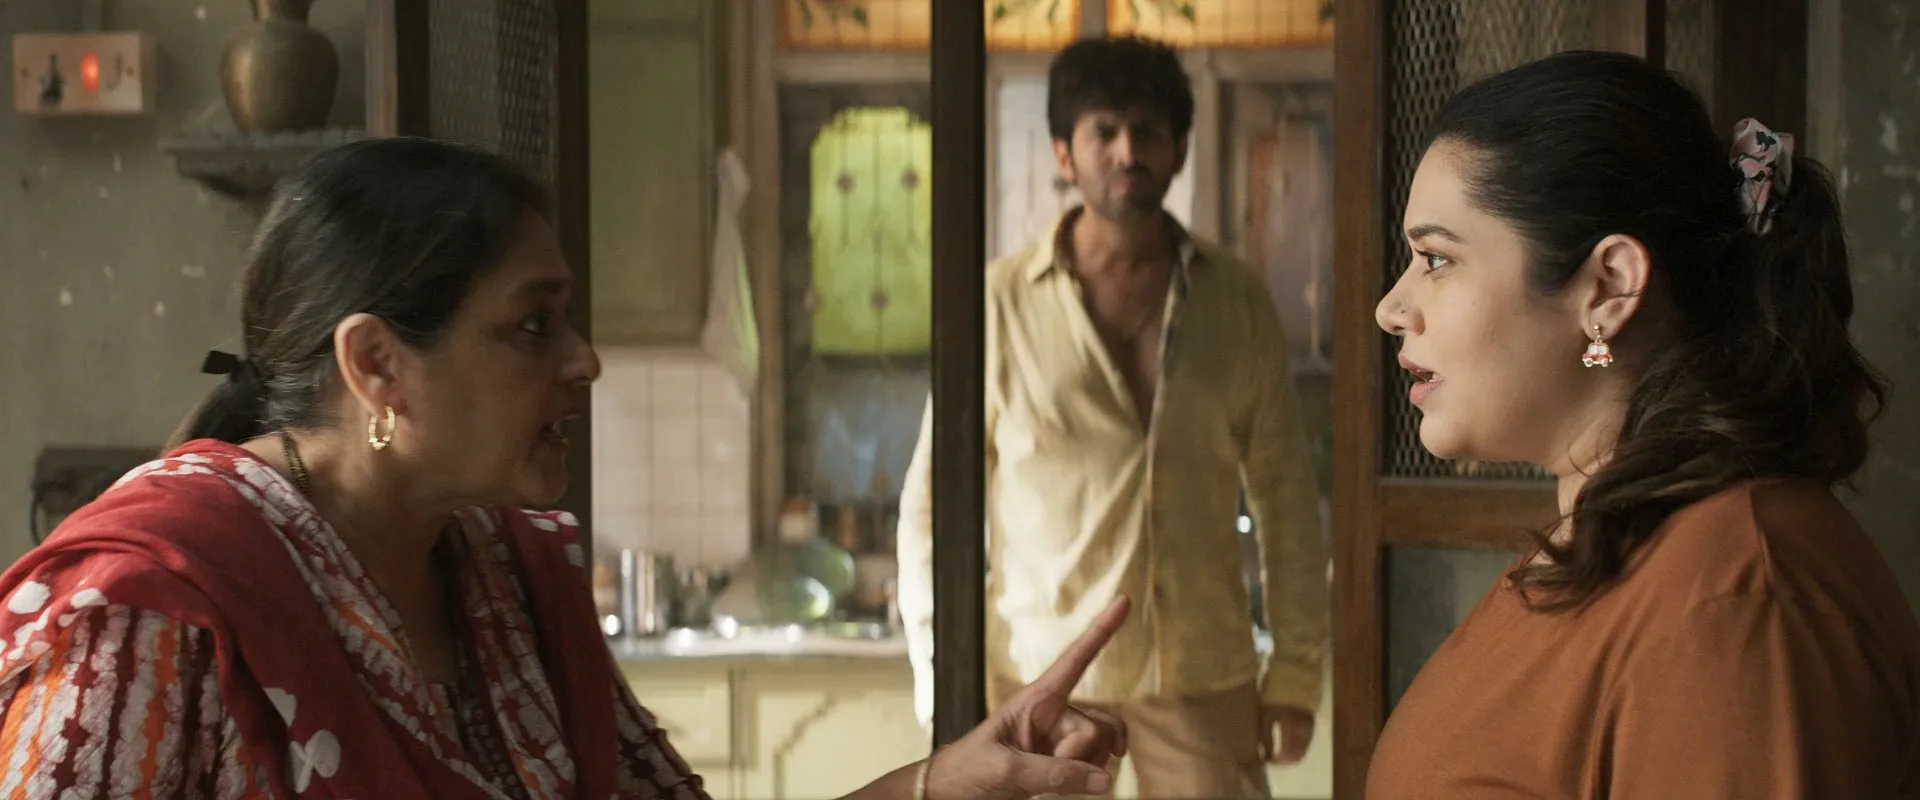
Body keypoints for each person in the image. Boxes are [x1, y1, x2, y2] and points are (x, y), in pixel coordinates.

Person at [0, 137, 1131, 799]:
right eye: (533, 326)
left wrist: (946, 780)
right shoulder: (158, 608)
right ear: (377, 364)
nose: (584, 360)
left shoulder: (506, 575)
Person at [1366, 50, 1920, 797]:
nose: (1391, 308)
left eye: (1436, 259)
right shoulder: (1620, 539)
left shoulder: (1736, 602)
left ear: (1610, 286)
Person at [897, 36, 1328, 799]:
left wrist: (1295, 672)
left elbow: (1285, 495)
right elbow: (932, 505)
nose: (1128, 151)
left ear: (1180, 148)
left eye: (1148, 130)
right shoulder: (998, 303)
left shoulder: (1236, 301)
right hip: (1043, 675)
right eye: (1105, 131)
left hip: (1202, 674)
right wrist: (941, 683)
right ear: (1064, 153)